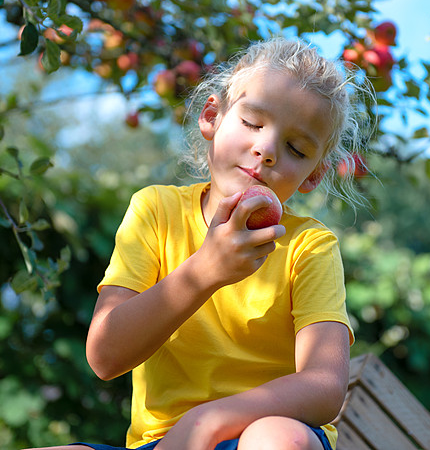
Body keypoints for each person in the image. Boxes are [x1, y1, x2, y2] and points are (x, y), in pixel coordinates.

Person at [29, 38, 372, 450]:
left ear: (313, 176)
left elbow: (325, 387)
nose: (265, 150)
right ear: (211, 117)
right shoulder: (156, 211)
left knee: (275, 437)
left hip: (254, 435)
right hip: (161, 444)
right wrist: (205, 270)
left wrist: (209, 419)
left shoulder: (309, 246)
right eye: (252, 123)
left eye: (296, 149)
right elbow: (105, 356)